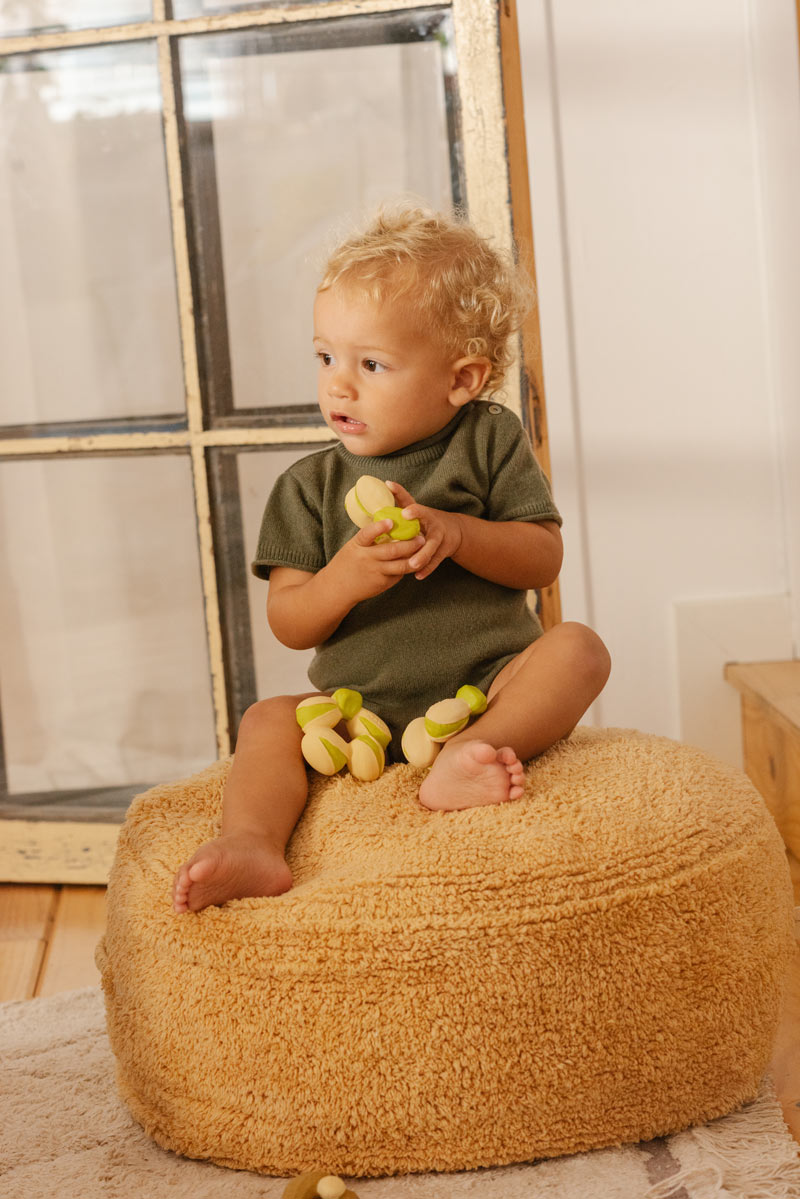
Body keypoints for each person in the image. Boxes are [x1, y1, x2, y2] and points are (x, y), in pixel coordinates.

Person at [173, 204, 610, 914]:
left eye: (371, 364)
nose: (338, 385)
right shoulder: (307, 487)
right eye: (325, 357)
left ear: (462, 380)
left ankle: (471, 755)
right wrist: (344, 579)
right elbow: (289, 619)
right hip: (358, 710)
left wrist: (458, 533)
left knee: (580, 650)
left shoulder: (489, 440)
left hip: (485, 684)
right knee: (266, 721)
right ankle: (252, 842)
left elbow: (542, 557)